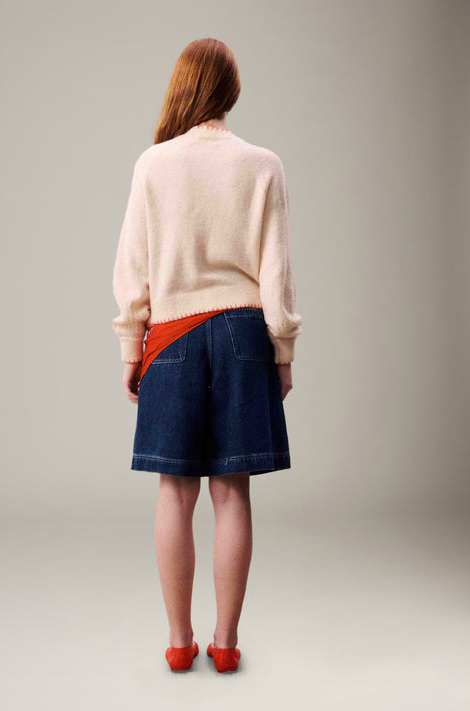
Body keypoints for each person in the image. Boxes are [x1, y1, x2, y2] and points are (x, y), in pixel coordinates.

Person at [111, 38, 302, 673]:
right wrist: (282, 352)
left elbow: (132, 268)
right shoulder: (263, 165)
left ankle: (177, 642)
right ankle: (225, 644)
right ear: (231, 91)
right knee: (232, 494)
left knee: (174, 493)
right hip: (246, 335)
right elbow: (276, 272)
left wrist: (130, 348)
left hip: (172, 337)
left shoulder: (153, 164)